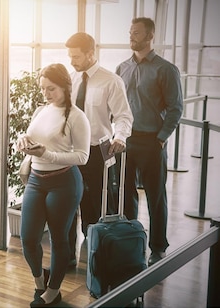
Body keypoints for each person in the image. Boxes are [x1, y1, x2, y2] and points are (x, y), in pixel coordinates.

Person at [17, 63, 90, 307]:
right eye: (43, 89)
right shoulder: (42, 110)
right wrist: (23, 140)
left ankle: (53, 291)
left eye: (52, 89)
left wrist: (47, 154)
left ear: (66, 87)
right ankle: (40, 282)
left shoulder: (78, 117)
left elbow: (82, 156)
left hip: (64, 183)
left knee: (59, 239)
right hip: (36, 180)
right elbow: (32, 135)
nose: (46, 94)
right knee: (28, 238)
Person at [116, 17, 183, 266]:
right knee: (125, 194)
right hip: (126, 140)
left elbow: (176, 108)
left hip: (152, 141)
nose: (131, 36)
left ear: (149, 36)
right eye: (130, 32)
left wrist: (161, 138)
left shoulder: (166, 69)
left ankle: (158, 247)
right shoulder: (122, 67)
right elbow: (117, 104)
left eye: (136, 33)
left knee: (155, 196)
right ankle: (131, 239)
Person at [65, 32, 133, 267]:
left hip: (98, 151)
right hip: (72, 151)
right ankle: (68, 257)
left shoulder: (110, 81)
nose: (72, 61)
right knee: (69, 203)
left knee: (98, 204)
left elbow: (124, 116)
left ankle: (98, 255)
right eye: (70, 56)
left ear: (90, 53)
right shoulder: (71, 79)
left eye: (76, 56)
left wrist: (121, 136)